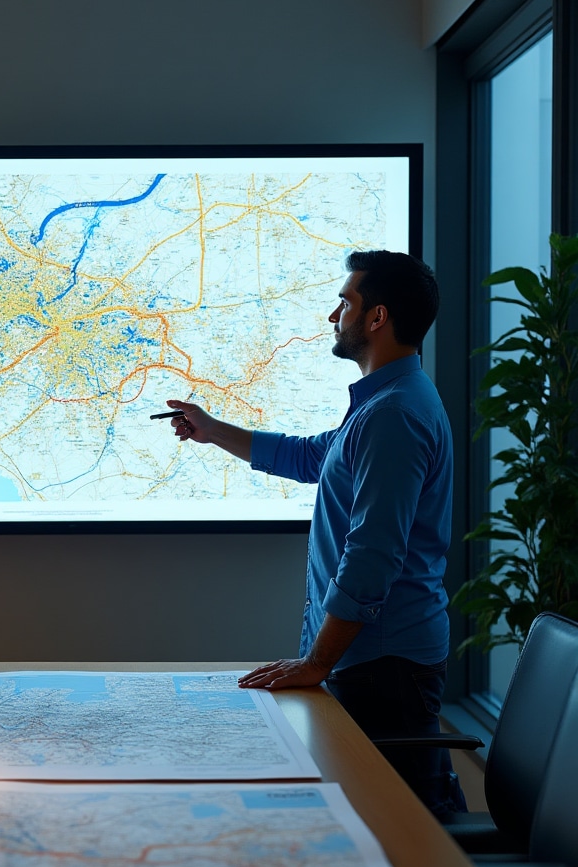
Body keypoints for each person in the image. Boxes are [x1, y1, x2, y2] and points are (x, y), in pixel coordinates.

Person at [163, 250, 467, 820]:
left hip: (384, 665)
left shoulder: (394, 415)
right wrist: (211, 430)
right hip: (372, 659)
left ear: (376, 317)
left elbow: (372, 557)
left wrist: (316, 663)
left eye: (345, 302)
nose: (334, 316)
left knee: (405, 830)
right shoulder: (381, 406)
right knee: (380, 819)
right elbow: (309, 457)